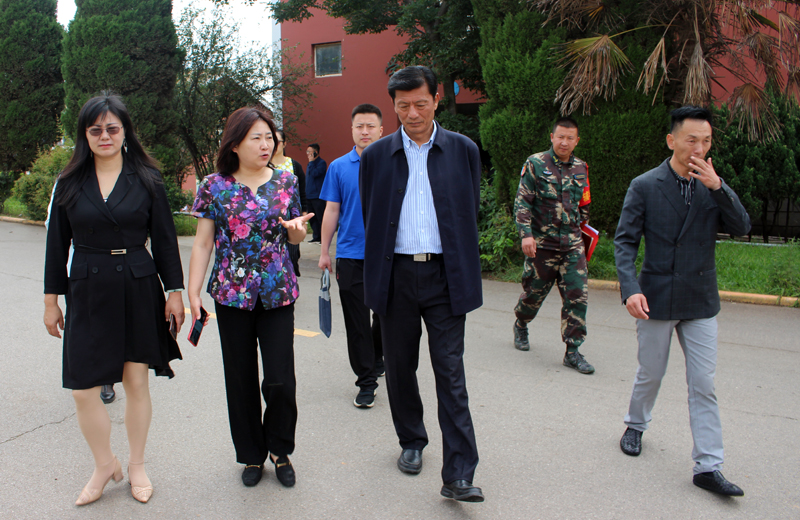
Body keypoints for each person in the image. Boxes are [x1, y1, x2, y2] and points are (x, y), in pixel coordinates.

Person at [43, 92, 185, 505]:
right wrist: (51, 301)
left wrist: (175, 292)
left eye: (112, 128)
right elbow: (56, 245)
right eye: (95, 130)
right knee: (82, 389)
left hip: (137, 284)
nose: (104, 136)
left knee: (136, 381)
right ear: (84, 135)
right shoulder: (69, 182)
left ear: (125, 132)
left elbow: (165, 240)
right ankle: (104, 464)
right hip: (87, 287)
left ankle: (137, 465)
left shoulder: (148, 179)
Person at [359, 66, 484, 502]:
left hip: (446, 277)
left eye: (420, 103)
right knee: (399, 367)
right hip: (395, 276)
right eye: (403, 105)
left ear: (437, 99)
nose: (412, 113)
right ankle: (411, 440)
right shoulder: (376, 156)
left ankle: (459, 474)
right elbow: (373, 215)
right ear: (393, 105)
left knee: (450, 372)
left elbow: (469, 210)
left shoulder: (463, 150)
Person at [614, 106, 751, 496]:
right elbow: (624, 242)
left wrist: (719, 188)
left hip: (700, 298)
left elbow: (742, 227)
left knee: (703, 383)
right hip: (656, 297)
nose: (699, 149)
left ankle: (708, 465)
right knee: (651, 372)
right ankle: (636, 424)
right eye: (692, 140)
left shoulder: (713, 185)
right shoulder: (645, 185)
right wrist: (631, 288)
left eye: (706, 141)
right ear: (671, 141)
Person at [188, 107, 313, 489]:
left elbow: (296, 234)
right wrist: (192, 291)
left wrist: (296, 232)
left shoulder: (287, 181)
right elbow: (203, 242)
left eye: (269, 137)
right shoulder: (214, 186)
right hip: (231, 295)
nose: (265, 144)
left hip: (278, 292)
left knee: (280, 379)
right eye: (256, 137)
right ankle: (251, 454)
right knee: (240, 379)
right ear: (235, 143)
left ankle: (280, 449)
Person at [512, 117, 595, 374]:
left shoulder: (581, 167)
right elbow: (523, 202)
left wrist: (585, 236)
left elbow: (584, 205)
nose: (564, 142)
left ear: (577, 141)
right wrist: (526, 235)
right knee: (533, 295)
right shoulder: (536, 163)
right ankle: (521, 323)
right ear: (552, 137)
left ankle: (573, 351)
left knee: (577, 297)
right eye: (560, 137)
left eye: (570, 138)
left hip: (572, 246)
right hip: (542, 246)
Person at [318, 103, 385, 408]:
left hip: (388, 256)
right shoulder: (338, 167)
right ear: (352, 130)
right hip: (350, 255)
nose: (365, 131)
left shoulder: (393, 162)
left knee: (385, 317)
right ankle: (366, 382)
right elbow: (332, 210)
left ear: (381, 130)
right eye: (360, 126)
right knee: (357, 323)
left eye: (370, 126)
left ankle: (377, 356)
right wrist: (324, 252)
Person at [46, 182, 118, 404]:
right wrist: (50, 301)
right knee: (86, 326)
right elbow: (54, 227)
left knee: (111, 325)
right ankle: (88, 375)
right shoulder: (68, 180)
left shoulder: (127, 176)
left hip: (118, 269)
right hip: (80, 269)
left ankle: (107, 378)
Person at [272, 129, 308, 276]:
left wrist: (303, 215)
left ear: (284, 144)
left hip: (291, 218)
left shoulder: (294, 165)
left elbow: (302, 192)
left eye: (277, 141)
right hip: (271, 219)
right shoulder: (263, 165)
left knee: (291, 255)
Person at [305, 143, 327, 243]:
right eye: (307, 151)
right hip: (309, 195)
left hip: (318, 195)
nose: (308, 154)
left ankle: (323, 237)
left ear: (316, 152)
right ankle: (316, 236)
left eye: (309, 152)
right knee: (312, 218)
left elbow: (315, 174)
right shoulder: (310, 164)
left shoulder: (321, 163)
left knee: (320, 217)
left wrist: (311, 162)